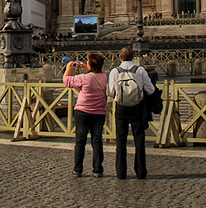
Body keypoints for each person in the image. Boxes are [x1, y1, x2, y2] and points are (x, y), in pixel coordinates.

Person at [108, 47, 155, 180]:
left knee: (121, 139)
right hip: (137, 106)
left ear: (120, 57)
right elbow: (150, 90)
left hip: (121, 106)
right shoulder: (140, 70)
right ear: (133, 57)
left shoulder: (114, 71)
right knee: (139, 139)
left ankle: (121, 171)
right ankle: (141, 171)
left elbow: (111, 92)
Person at [63, 52, 108, 177]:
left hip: (83, 112)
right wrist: (84, 67)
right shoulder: (104, 77)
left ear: (90, 63)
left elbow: (66, 81)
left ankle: (78, 169)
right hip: (99, 112)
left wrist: (68, 69)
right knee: (97, 140)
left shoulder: (83, 78)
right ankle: (98, 169)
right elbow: (94, 75)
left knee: (80, 141)